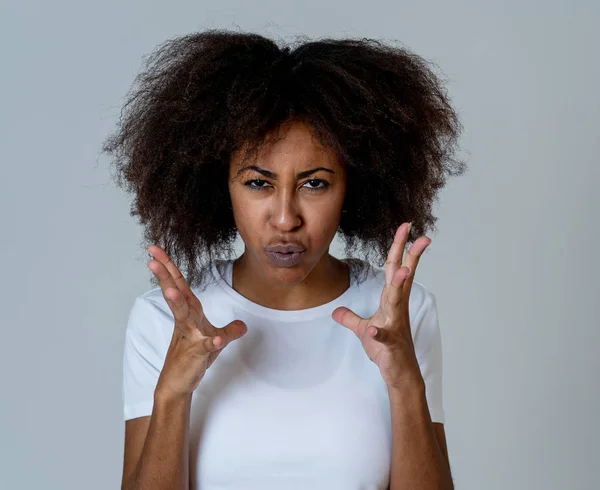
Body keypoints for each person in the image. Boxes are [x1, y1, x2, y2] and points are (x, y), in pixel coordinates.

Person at [102, 29, 466, 490]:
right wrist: (173, 393)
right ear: (221, 187)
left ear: (353, 187)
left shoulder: (399, 314)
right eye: (258, 183)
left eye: (315, 183)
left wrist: (405, 385)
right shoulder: (163, 321)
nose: (286, 217)